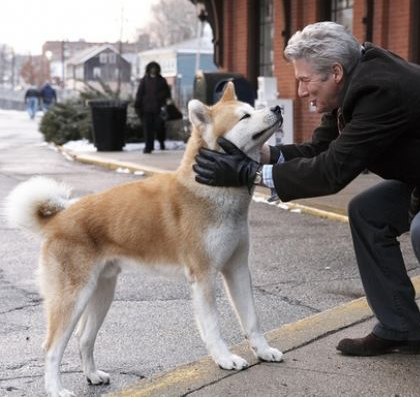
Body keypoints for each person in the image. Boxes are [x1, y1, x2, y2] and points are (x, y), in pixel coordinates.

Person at [193, 21, 420, 356]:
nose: (300, 91)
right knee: (367, 212)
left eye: (304, 80)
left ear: (335, 72)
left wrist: (247, 173)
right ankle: (401, 326)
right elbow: (319, 151)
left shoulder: (379, 90)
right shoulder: (352, 84)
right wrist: (259, 153)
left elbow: (331, 171)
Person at [134, 61, 171, 153]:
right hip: (147, 109)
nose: (153, 70)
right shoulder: (144, 80)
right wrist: (137, 105)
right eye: (151, 68)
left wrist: (162, 101)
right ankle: (148, 147)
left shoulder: (162, 80)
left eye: (155, 68)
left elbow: (167, 94)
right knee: (148, 129)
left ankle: (161, 142)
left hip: (159, 109)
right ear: (148, 69)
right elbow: (140, 93)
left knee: (160, 128)